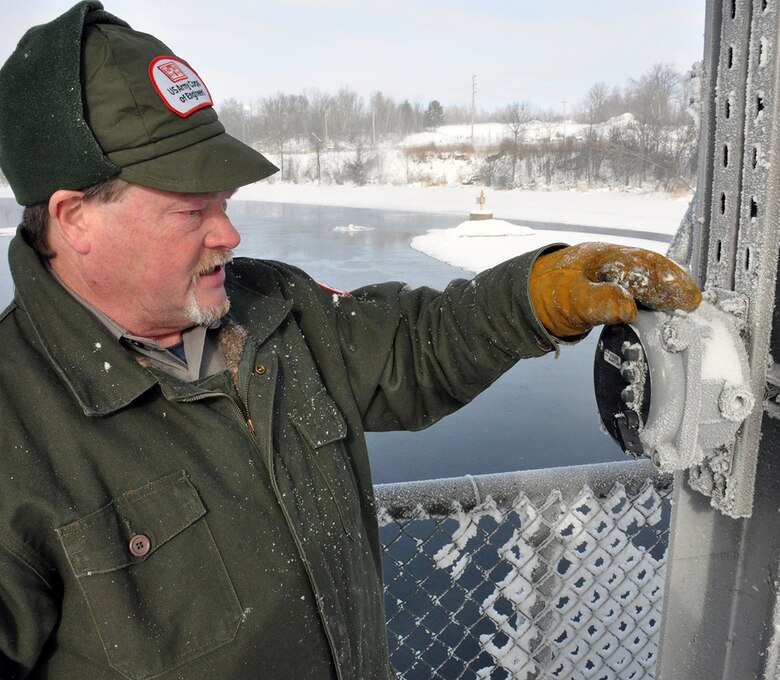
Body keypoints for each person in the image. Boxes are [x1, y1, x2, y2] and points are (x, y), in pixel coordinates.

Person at [0, 3, 701, 679]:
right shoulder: (15, 429)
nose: (229, 234)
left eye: (225, 201)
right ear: (76, 218)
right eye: (191, 210)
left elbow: (417, 346)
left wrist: (537, 295)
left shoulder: (275, 309)